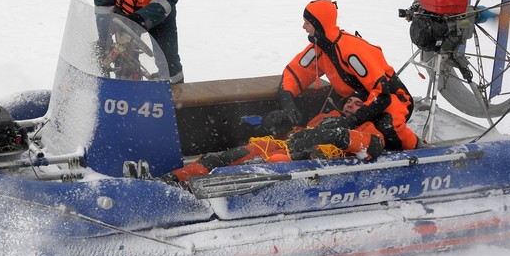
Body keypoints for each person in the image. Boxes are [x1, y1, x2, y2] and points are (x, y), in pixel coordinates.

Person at [264, 0, 419, 152]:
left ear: (319, 24)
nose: (303, 26)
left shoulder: (352, 51)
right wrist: (289, 106)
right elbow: (294, 75)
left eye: (307, 22)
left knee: (387, 128)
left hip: (393, 98)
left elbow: (382, 94)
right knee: (322, 122)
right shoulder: (319, 48)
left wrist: (351, 121)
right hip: (357, 100)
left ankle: (418, 148)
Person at [161, 95, 385, 183]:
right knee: (226, 157)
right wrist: (276, 124)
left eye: (358, 104)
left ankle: (211, 190)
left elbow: (373, 146)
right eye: (350, 101)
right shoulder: (326, 116)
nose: (351, 105)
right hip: (282, 147)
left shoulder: (367, 126)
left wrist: (334, 135)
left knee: (274, 162)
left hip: (316, 164)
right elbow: (299, 133)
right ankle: (173, 181)